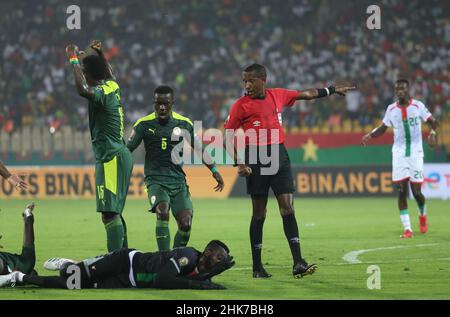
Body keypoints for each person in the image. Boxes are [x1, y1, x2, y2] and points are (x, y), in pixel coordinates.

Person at [224, 63, 355, 278]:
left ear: (263, 80)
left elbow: (307, 94)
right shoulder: (240, 105)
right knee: (259, 214)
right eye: (244, 81)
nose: (247, 85)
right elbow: (228, 136)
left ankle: (298, 263)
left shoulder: (278, 95)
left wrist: (331, 90)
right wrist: (239, 162)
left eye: (251, 80)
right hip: (255, 158)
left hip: (279, 155)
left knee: (288, 209)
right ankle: (257, 267)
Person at [127, 85, 224, 251]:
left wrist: (214, 170)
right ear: (154, 103)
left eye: (166, 103)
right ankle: (164, 258)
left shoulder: (184, 124)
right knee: (162, 212)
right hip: (155, 180)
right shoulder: (143, 125)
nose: (162, 107)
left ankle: (176, 257)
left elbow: (200, 149)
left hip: (178, 181)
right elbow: (127, 150)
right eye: (158, 103)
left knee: (186, 224)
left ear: (173, 103)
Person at [65, 40, 134, 252]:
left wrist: (73, 59)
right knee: (114, 212)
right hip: (117, 155)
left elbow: (83, 90)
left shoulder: (101, 93)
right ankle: (124, 260)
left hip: (111, 158)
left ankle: (115, 264)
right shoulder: (112, 85)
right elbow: (110, 73)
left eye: (84, 72)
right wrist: (101, 54)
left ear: (88, 74)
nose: (82, 75)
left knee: (109, 214)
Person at [362, 79, 438, 238]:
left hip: (416, 153)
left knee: (416, 192)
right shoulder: (391, 109)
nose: (400, 92)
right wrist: (370, 135)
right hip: (399, 154)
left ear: (408, 89)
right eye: (397, 89)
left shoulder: (418, 106)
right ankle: (408, 229)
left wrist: (432, 132)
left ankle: (422, 214)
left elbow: (432, 122)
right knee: (401, 190)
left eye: (402, 89)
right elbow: (383, 128)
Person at [0, 240, 234, 290]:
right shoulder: (187, 256)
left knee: (72, 285)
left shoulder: (201, 269)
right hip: (126, 261)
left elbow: (187, 280)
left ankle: (20, 278)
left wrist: (208, 277)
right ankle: (18, 277)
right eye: (219, 258)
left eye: (221, 262)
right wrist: (204, 284)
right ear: (207, 252)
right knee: (71, 278)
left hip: (127, 281)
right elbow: (163, 280)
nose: (219, 262)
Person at [0, 203, 36, 276]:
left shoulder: (24, 266)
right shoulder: (24, 268)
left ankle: (28, 217)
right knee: (27, 263)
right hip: (8, 265)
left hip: (7, 264)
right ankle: (28, 217)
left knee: (28, 262)